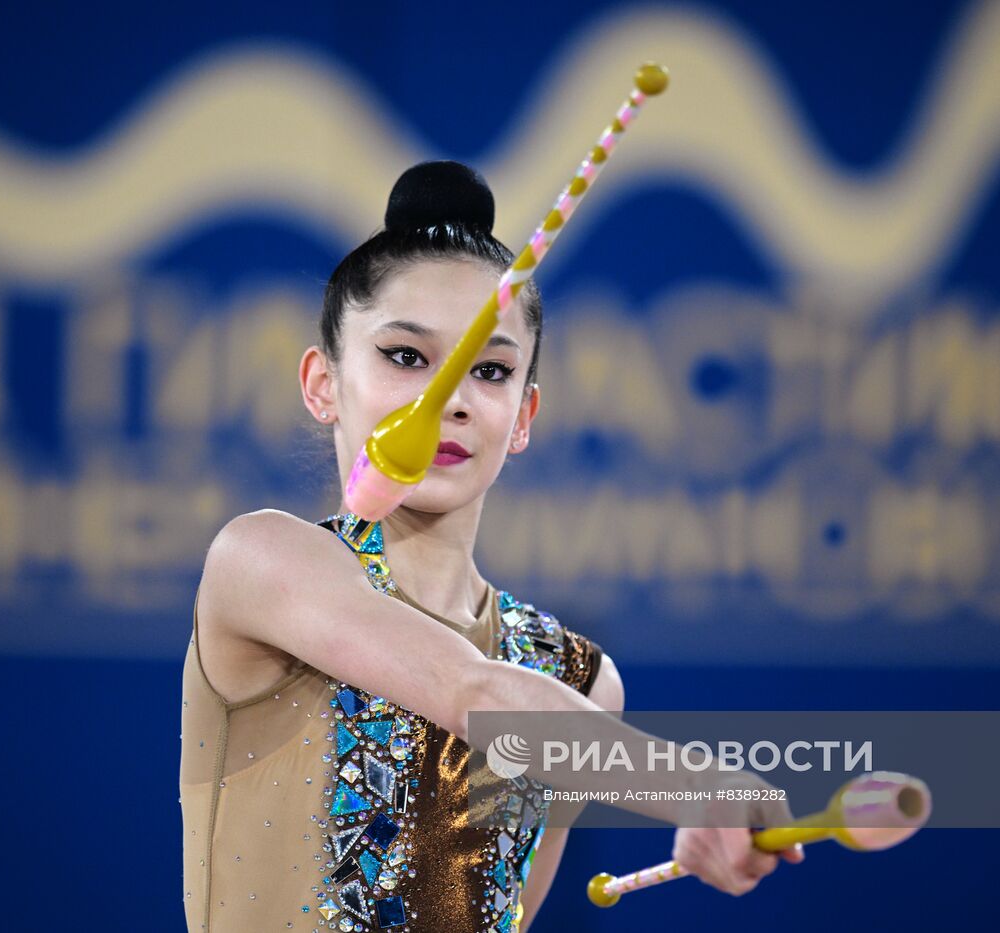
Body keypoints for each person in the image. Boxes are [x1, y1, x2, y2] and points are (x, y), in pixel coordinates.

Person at [179, 161, 801, 932]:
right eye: (406, 356)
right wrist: (691, 783)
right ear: (322, 384)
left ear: (525, 413)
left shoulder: (575, 679)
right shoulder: (261, 563)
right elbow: (471, 694)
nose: (450, 401)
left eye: (491, 369)